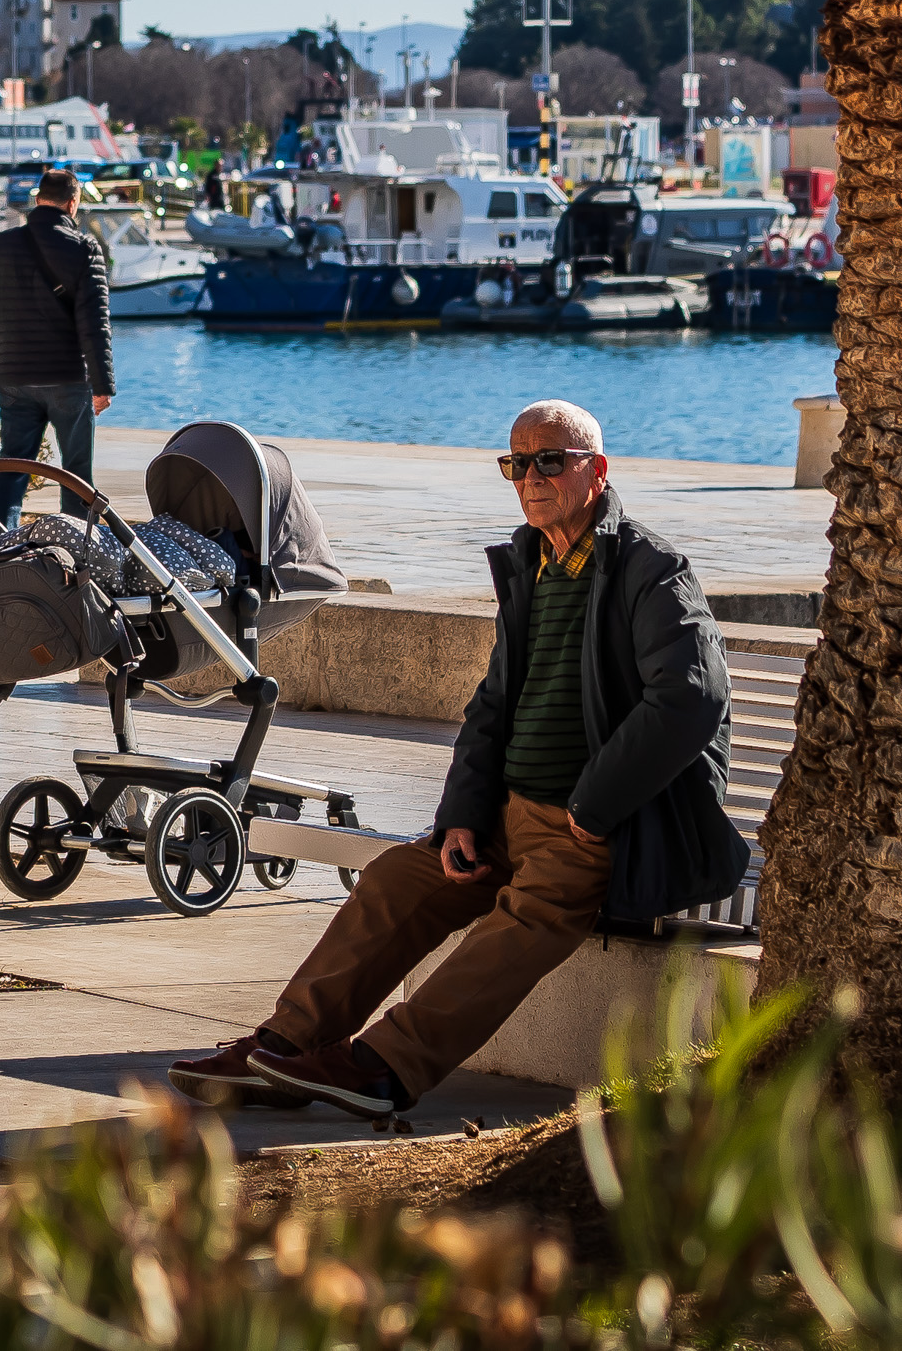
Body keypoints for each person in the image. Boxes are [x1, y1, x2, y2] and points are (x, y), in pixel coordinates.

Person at [167, 400, 747, 1120]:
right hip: (506, 815)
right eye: (516, 463)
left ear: (596, 470)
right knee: (396, 881)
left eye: (549, 460)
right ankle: (284, 1045)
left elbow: (689, 698)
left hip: (591, 829)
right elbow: (493, 704)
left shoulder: (649, 570)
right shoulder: (531, 563)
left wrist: (593, 809)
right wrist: (462, 815)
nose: (530, 477)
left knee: (529, 916)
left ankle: (382, 1066)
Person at [0, 166, 112, 533]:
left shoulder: (1, 244)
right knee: (76, 473)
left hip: (14, 377)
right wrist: (103, 381)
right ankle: (75, 550)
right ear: (73, 203)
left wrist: (3, 352)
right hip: (67, 378)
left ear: (38, 199)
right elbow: (94, 321)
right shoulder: (83, 248)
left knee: (12, 469)